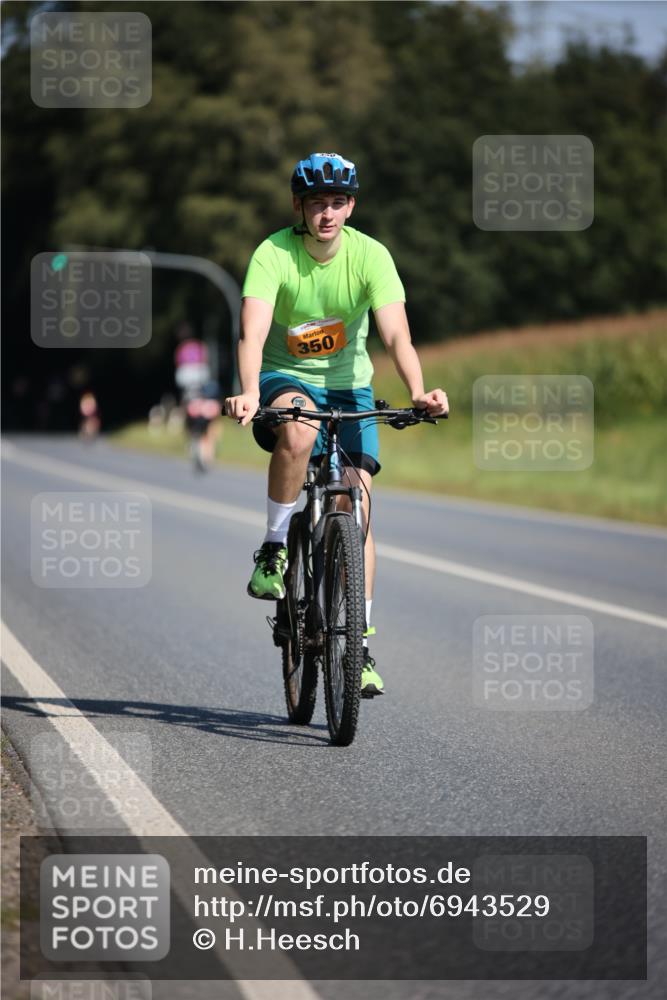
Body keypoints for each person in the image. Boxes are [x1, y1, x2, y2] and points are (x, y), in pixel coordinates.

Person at [225, 152, 448, 697]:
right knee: (299, 431)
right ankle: (276, 549)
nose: (328, 213)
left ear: (351, 205)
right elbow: (251, 332)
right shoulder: (273, 253)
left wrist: (419, 392)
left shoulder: (371, 256)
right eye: (317, 203)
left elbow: (397, 336)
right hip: (283, 376)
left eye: (338, 202)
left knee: (360, 506)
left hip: (351, 385)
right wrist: (252, 392)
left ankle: (361, 646)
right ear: (299, 207)